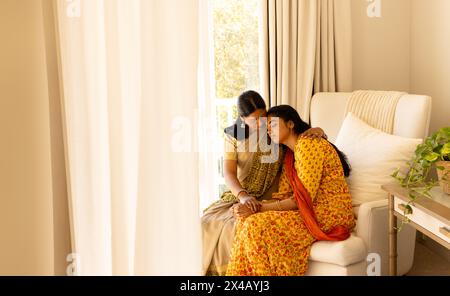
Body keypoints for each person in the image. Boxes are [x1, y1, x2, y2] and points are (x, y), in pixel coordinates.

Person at [201, 92, 326, 275]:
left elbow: (298, 133)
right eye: (255, 119)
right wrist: (243, 197)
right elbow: (228, 173)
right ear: (242, 119)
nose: (262, 123)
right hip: (242, 195)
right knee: (207, 223)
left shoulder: (273, 129)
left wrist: (321, 131)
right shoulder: (233, 135)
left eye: (263, 115)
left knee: (236, 227)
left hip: (271, 197)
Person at [226, 105, 355, 276]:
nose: (268, 130)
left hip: (327, 213)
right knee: (245, 221)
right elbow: (286, 196)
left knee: (254, 224)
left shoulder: (309, 144)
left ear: (290, 124)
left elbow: (301, 198)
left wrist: (258, 208)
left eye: (273, 124)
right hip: (306, 210)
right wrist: (251, 207)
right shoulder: (290, 155)